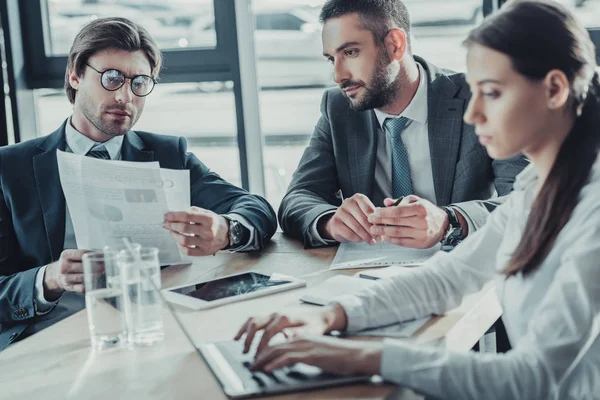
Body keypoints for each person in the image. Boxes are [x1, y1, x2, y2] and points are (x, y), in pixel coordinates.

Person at [236, 1, 600, 398]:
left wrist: (360, 357)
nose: (474, 112)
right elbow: (447, 277)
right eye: (475, 92)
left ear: (554, 89)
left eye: (491, 93)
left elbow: (532, 378)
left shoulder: (592, 211)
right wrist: (328, 317)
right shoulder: (539, 187)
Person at [0, 17, 277, 351]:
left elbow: (256, 208)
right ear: (75, 74)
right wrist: (49, 278)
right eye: (112, 78)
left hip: (155, 333)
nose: (125, 97)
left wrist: (227, 230)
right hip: (50, 341)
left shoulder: (166, 153)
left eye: (139, 82)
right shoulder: (10, 167)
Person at [279, 0, 528, 250]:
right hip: (365, 272)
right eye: (331, 59)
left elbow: (530, 201)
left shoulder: (477, 99)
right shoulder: (338, 108)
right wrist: (330, 222)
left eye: (350, 52)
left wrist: (449, 221)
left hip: (462, 268)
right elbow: (298, 198)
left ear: (394, 45)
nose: (338, 75)